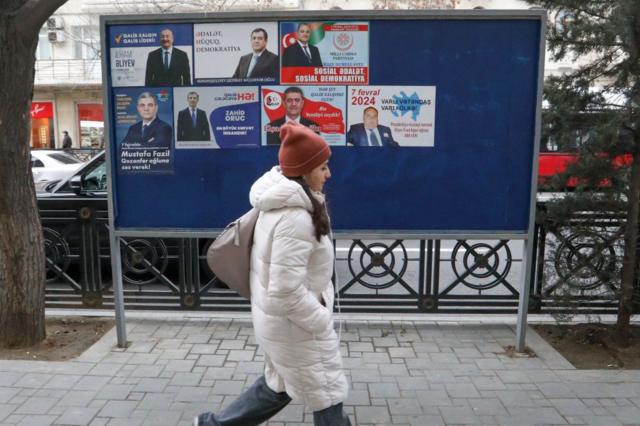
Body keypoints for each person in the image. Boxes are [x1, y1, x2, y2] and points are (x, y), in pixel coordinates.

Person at [194, 122, 350, 426]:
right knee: (327, 393)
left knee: (278, 386)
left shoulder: (287, 202)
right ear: (304, 173)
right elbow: (285, 290)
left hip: (282, 325)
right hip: (296, 327)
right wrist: (320, 318)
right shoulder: (295, 218)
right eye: (322, 167)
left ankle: (212, 424)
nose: (328, 174)